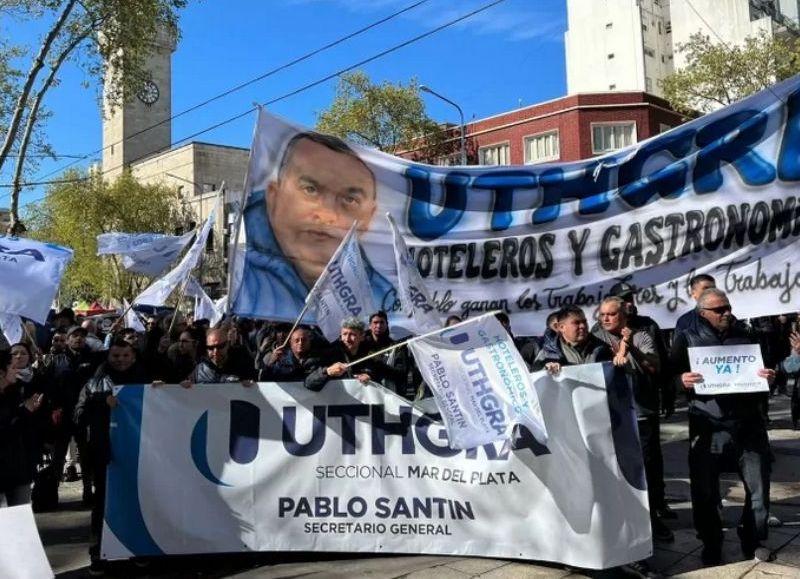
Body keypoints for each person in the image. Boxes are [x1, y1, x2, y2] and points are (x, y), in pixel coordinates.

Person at [236, 131, 394, 319]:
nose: (327, 214)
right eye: (310, 190)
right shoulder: (243, 283)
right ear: (273, 197)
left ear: (369, 218)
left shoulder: (386, 299)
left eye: (350, 200)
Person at [669, 288, 776, 565]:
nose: (726, 313)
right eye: (719, 310)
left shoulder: (747, 335)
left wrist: (770, 376)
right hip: (708, 425)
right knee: (706, 492)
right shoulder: (687, 337)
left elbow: (767, 369)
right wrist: (681, 381)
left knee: (758, 488)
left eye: (727, 307)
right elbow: (668, 378)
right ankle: (711, 542)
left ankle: (753, 538)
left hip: (749, 424)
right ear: (702, 312)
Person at [593, 297, 673, 543]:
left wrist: (630, 346)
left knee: (645, 468)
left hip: (641, 412)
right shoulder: (596, 337)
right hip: (612, 416)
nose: (605, 319)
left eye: (611, 314)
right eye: (602, 314)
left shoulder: (641, 335)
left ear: (624, 316)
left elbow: (654, 366)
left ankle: (652, 520)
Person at [73, 338, 150, 576]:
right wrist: (101, 403)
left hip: (139, 453)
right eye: (116, 356)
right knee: (103, 504)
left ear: (134, 357)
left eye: (125, 355)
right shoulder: (94, 384)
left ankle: (139, 550)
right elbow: (78, 415)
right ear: (109, 357)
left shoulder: (146, 381)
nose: (121, 360)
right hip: (104, 453)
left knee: (137, 503)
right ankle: (98, 553)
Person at [0, 349, 44, 507]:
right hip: (4, 469)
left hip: (19, 469)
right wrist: (24, 411)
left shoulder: (14, 392)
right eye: (12, 367)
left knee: (21, 517)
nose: (16, 370)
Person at [305, 317, 387, 392]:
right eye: (344, 334)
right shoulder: (328, 355)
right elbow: (309, 383)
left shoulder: (369, 356)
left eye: (352, 335)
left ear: (362, 337)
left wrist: (370, 377)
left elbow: (383, 376)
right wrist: (327, 371)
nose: (347, 339)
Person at [530, 306, 613, 373]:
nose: (583, 326)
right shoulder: (548, 353)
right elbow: (536, 380)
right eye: (576, 323)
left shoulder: (602, 349)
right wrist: (545, 370)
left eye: (584, 322)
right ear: (561, 327)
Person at [186, 328, 256, 385]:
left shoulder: (243, 366)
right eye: (211, 347)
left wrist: (249, 386)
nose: (215, 352)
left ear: (228, 345)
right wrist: (183, 387)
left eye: (220, 346)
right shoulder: (199, 370)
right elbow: (188, 395)